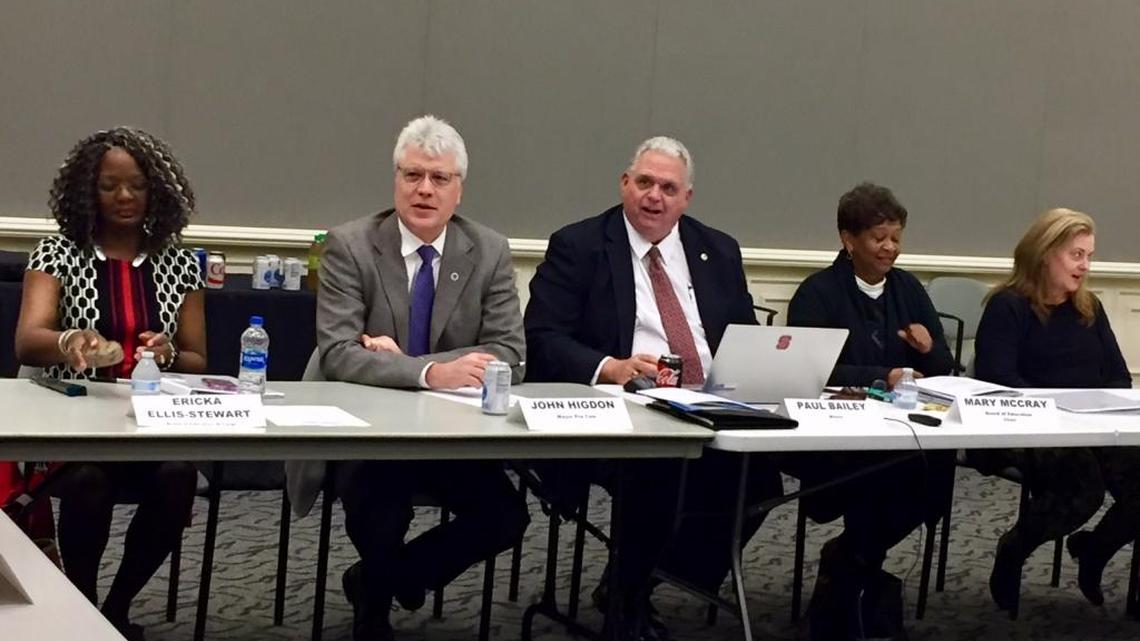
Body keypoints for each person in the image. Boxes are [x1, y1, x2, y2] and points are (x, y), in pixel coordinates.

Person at [525, 136, 782, 640]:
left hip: (710, 401)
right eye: (644, 182)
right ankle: (628, 597)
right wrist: (610, 366)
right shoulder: (579, 246)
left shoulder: (718, 250)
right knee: (660, 469)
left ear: (686, 198)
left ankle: (644, 576)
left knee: (760, 485)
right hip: (622, 409)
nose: (654, 196)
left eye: (668, 187)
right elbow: (544, 337)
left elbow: (742, 333)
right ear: (625, 184)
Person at [314, 115, 529, 641]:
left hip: (455, 438)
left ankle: (380, 580)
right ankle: (373, 616)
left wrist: (414, 364)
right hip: (373, 433)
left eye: (439, 178)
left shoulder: (490, 250)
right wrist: (433, 370)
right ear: (396, 179)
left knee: (506, 516)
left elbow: (511, 353)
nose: (425, 189)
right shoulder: (351, 245)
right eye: (413, 175)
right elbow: (338, 352)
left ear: (459, 189)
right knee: (379, 507)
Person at [14, 127, 206, 641]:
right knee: (88, 482)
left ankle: (115, 610)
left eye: (137, 185)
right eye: (109, 186)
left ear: (156, 191)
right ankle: (82, 601)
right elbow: (27, 341)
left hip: (151, 426)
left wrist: (168, 353)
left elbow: (197, 358)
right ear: (87, 192)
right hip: (71, 429)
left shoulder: (180, 263)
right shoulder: (57, 253)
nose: (124, 197)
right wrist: (67, 340)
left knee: (178, 477)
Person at [785, 182, 955, 640]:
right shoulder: (817, 293)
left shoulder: (909, 290)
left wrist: (929, 349)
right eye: (879, 237)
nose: (889, 248)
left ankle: (850, 562)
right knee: (877, 475)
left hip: (906, 427)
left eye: (896, 238)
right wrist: (884, 375)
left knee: (935, 471)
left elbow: (942, 367)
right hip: (837, 435)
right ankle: (857, 575)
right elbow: (811, 368)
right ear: (849, 239)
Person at [974, 208, 1134, 611]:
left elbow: (1118, 378)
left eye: (1089, 256)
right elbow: (998, 382)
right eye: (1076, 255)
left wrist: (1093, 410)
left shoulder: (1090, 308)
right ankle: (1014, 549)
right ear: (1045, 254)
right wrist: (1062, 409)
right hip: (1025, 428)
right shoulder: (1007, 307)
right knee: (1083, 486)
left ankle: (1095, 550)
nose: (1085, 266)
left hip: (1090, 427)